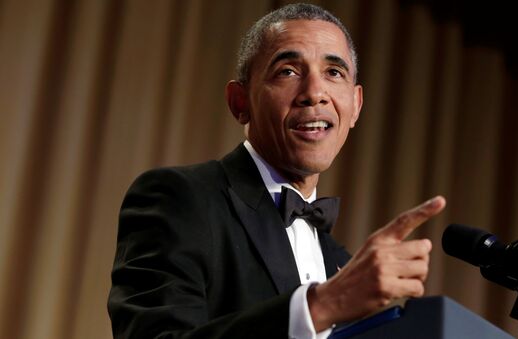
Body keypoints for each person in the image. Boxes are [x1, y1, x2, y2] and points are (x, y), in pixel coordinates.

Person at [108, 3, 445, 338]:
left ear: (355, 106)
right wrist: (321, 306)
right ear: (240, 102)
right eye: (288, 71)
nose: (315, 93)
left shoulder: (340, 260)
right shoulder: (179, 197)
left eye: (334, 73)